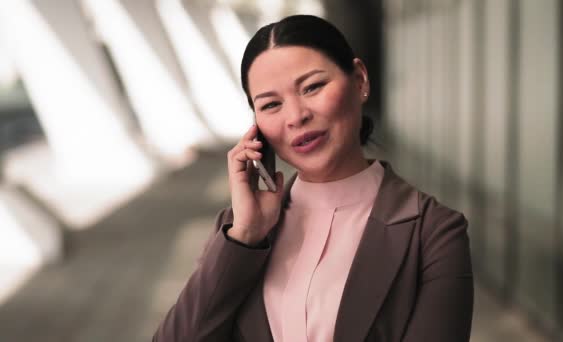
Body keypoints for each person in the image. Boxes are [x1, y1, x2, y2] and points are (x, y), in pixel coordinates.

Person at [153, 14, 473, 342]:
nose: (296, 116)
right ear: (256, 125)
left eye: (313, 87)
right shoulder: (239, 230)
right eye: (271, 104)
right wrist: (247, 236)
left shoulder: (434, 233)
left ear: (360, 79)